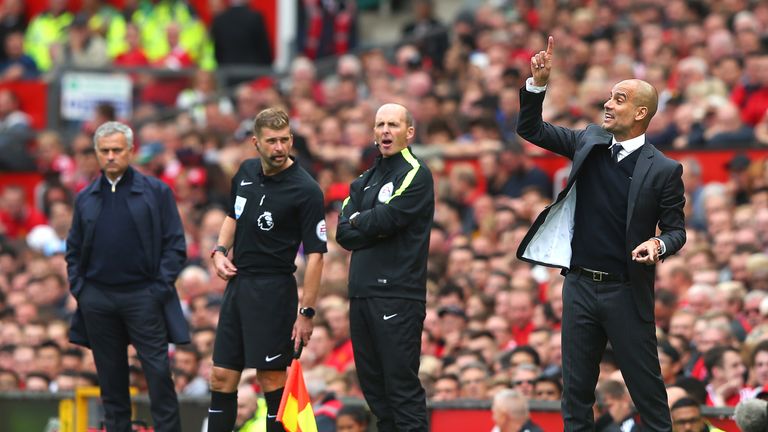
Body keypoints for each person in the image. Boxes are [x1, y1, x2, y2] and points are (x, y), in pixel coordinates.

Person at [516, 37, 686, 431]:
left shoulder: (663, 169)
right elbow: (531, 129)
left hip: (625, 291)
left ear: (641, 112)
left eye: (619, 99)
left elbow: (677, 230)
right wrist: (537, 86)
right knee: (575, 394)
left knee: (648, 395)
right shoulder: (587, 140)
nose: (608, 104)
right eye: (609, 97)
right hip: (577, 287)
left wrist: (659, 244)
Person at [207, 108, 327, 432]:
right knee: (221, 377)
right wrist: (219, 251)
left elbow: (316, 255)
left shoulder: (306, 189)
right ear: (255, 142)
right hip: (238, 285)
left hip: (274, 290)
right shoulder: (245, 171)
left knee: (271, 378)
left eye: (284, 140)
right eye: (271, 141)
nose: (279, 147)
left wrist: (307, 311)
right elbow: (233, 214)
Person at [66, 121, 189, 432]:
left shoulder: (157, 192)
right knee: (110, 378)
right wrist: (82, 291)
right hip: (99, 298)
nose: (110, 156)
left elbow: (175, 245)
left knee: (159, 373)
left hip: (143, 295)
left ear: (131, 151)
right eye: (104, 150)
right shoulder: (85, 198)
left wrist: (158, 290)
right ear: (96, 153)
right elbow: (74, 249)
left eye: (117, 150)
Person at [336, 103, 434, 431]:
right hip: (362, 293)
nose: (385, 131)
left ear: (409, 132)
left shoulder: (415, 173)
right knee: (376, 395)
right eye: (380, 125)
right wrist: (369, 224)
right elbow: (343, 233)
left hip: (397, 295)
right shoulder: (364, 179)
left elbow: (389, 218)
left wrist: (362, 220)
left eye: (393, 124)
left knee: (401, 390)